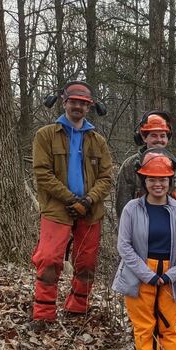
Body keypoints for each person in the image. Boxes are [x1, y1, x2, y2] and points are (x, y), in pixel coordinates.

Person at [31, 80, 113, 330]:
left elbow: (106, 177)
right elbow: (42, 173)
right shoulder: (46, 135)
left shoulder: (97, 141)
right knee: (49, 259)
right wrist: (70, 199)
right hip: (57, 208)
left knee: (86, 262)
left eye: (83, 103)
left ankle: (77, 308)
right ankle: (43, 314)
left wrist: (88, 200)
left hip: (90, 210)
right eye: (74, 102)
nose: (78, 106)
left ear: (89, 107)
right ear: (64, 102)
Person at [112, 151, 176, 350]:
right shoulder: (131, 209)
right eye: (152, 179)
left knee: (169, 325)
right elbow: (124, 246)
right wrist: (146, 274)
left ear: (170, 181)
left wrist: (172, 274)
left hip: (171, 272)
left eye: (162, 179)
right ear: (144, 181)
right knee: (144, 326)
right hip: (139, 272)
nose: (158, 184)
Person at [115, 111, 176, 277]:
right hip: (142, 221)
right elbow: (122, 205)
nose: (159, 140)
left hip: (171, 219)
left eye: (162, 135)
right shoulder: (130, 166)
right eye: (154, 135)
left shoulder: (174, 164)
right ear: (143, 137)